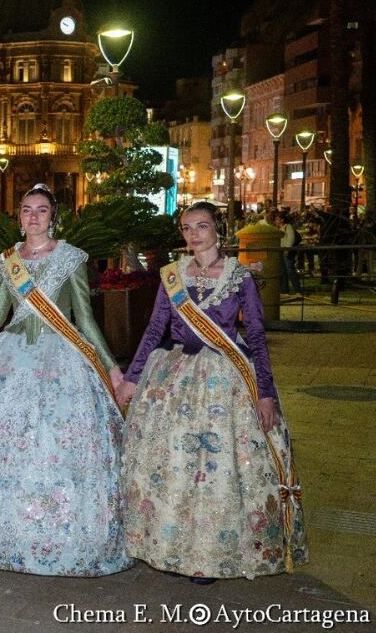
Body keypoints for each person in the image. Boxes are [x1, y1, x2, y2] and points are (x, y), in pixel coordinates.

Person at [115, 201, 307, 582]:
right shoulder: (172, 275)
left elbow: (255, 335)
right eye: (186, 228)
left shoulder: (239, 277)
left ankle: (213, 551)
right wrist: (132, 377)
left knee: (218, 469)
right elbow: (155, 331)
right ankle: (171, 545)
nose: (193, 235)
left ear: (217, 229)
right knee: (173, 464)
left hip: (227, 378)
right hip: (177, 376)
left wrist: (264, 392)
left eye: (201, 226)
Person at [0, 184, 130, 576]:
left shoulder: (70, 258)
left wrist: (111, 366)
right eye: (26, 210)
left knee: (59, 443)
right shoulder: (9, 262)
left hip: (62, 361)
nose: (33, 216)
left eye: (41, 210)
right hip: (12, 362)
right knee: (12, 444)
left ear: (53, 216)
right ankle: (10, 534)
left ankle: (64, 535)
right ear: (18, 217)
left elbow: (85, 319)